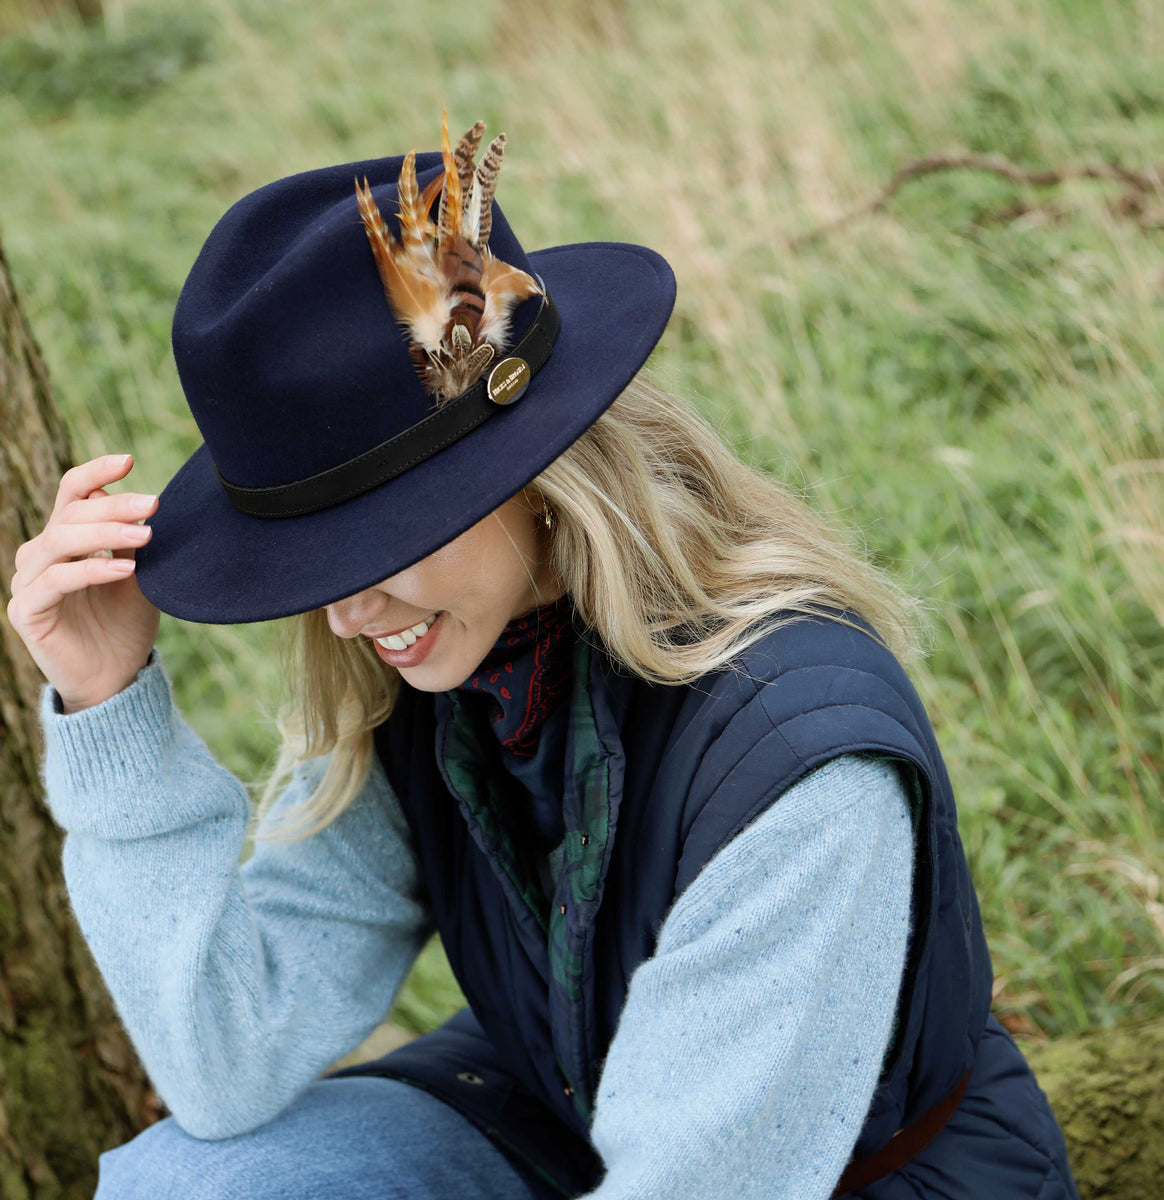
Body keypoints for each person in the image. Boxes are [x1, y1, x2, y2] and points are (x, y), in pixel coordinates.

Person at [9, 113, 1081, 1199]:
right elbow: (226, 1066)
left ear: (538, 469)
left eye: (382, 537)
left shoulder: (799, 766)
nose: (346, 613)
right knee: (189, 1181)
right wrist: (108, 704)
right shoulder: (438, 689)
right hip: (562, 1117)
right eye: (313, 559)